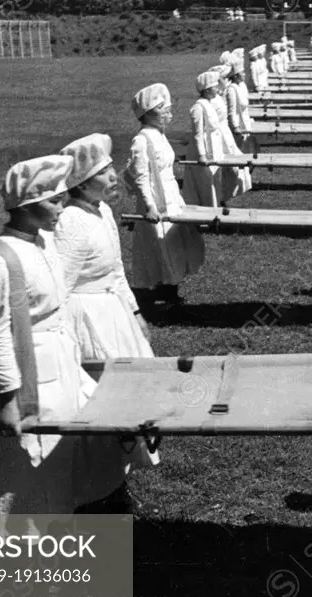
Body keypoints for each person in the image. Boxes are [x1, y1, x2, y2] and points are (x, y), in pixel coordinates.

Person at [0, 155, 104, 537]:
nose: (63, 208)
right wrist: (8, 400)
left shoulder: (43, 243)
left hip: (59, 366)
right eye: (54, 202)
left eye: (63, 199)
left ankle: (54, 536)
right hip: (25, 376)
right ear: (25, 206)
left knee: (56, 461)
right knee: (20, 471)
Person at [54, 134, 161, 515]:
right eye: (105, 171)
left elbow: (116, 272)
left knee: (129, 398)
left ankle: (116, 479)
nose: (116, 176)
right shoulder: (71, 222)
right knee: (97, 402)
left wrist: (135, 314)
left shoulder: (101, 212)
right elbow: (59, 289)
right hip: (86, 321)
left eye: (113, 168)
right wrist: (65, 342)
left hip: (113, 314)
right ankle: (93, 492)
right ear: (82, 182)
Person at [127, 83, 204, 308]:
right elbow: (141, 176)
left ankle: (171, 287)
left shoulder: (160, 135)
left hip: (171, 195)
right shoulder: (141, 140)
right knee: (161, 242)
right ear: (147, 114)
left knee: (175, 239)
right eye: (162, 111)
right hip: (155, 198)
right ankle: (164, 289)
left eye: (168, 110)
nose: (167, 115)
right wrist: (150, 206)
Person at [209, 64, 252, 202]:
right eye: (224, 78)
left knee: (235, 162)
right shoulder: (212, 100)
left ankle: (228, 191)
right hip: (219, 135)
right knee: (226, 165)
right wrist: (235, 127)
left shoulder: (221, 94)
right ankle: (223, 193)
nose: (226, 81)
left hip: (225, 132)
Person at [226, 61, 257, 154]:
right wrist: (235, 126)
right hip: (239, 124)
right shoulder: (232, 89)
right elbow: (232, 109)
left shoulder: (240, 86)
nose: (244, 74)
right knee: (239, 149)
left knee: (247, 147)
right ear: (235, 76)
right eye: (242, 72)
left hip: (245, 121)